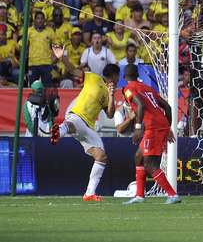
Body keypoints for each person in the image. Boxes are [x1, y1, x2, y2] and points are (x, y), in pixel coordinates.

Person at [50, 45, 120, 201]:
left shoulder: (109, 92)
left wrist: (111, 95)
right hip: (76, 114)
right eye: (117, 76)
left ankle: (89, 193)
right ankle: (59, 131)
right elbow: (73, 70)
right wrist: (63, 57)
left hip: (88, 127)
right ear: (114, 76)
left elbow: (109, 114)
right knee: (73, 124)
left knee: (101, 156)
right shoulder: (92, 77)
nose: (118, 79)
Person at [121, 64, 181, 205]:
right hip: (160, 124)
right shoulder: (148, 88)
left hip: (152, 127)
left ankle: (172, 195)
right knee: (138, 157)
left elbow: (140, 105)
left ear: (125, 77)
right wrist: (167, 128)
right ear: (137, 75)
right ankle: (140, 195)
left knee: (150, 164)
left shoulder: (128, 89)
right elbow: (167, 107)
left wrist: (137, 128)